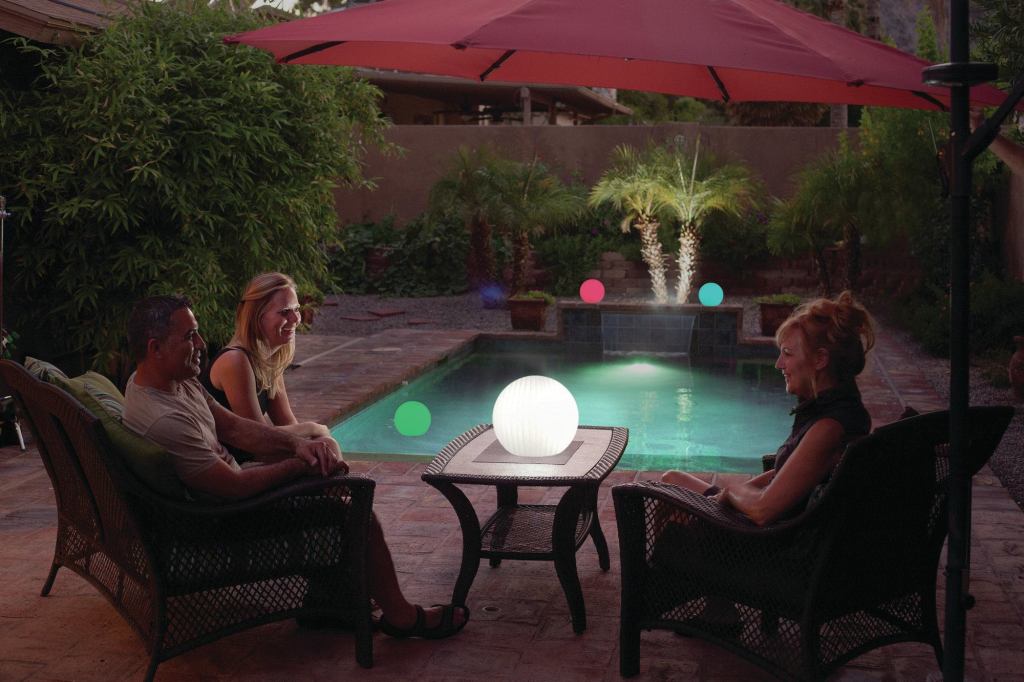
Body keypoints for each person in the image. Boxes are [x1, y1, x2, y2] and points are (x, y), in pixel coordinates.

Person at [123, 294, 468, 639]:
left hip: (227, 495)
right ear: (155, 347)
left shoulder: (175, 381)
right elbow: (235, 487)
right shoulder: (165, 420)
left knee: (330, 477)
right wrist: (298, 466)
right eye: (189, 336)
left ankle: (332, 599)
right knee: (356, 511)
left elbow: (234, 427)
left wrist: (298, 446)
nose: (201, 343)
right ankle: (402, 617)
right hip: (222, 519)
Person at [661, 291, 875, 526]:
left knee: (668, 503)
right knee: (672, 479)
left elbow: (762, 510)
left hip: (757, 538)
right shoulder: (836, 410)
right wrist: (734, 493)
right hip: (757, 520)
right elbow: (789, 473)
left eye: (788, 354)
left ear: (820, 359)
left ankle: (669, 548)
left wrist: (730, 492)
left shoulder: (829, 428)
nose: (778, 364)